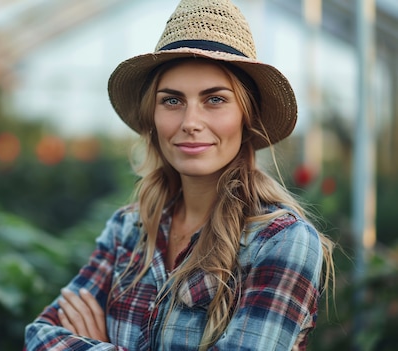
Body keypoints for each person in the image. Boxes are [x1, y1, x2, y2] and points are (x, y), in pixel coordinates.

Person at [24, 0, 335, 350]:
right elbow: (40, 335)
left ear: (246, 119)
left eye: (215, 100)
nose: (190, 123)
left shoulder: (280, 242)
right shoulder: (129, 230)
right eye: (172, 101)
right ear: (152, 118)